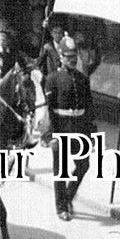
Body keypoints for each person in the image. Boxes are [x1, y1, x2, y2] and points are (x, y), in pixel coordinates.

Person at [44, 37, 95, 222]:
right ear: (61, 56)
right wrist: (49, 135)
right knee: (61, 170)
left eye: (74, 56)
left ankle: (68, 196)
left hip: (79, 129)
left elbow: (89, 108)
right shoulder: (52, 79)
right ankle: (61, 207)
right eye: (68, 56)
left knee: (83, 165)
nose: (72, 60)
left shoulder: (82, 79)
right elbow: (47, 110)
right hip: (61, 129)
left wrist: (91, 134)